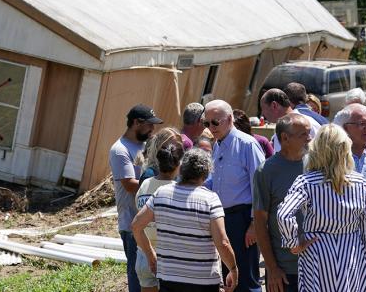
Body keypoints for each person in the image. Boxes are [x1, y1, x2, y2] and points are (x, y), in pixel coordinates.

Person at [277, 124, 366, 292]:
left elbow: (283, 214)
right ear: (345, 149)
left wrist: (293, 243)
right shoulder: (360, 182)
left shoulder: (306, 182)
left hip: (316, 253)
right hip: (352, 252)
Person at [132, 148, 238, 292]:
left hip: (169, 279)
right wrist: (232, 268)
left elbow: (136, 226)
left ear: (181, 168)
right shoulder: (211, 200)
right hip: (204, 281)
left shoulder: (161, 194)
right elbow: (223, 242)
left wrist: (150, 254)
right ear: (206, 174)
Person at [204, 99, 264, 292]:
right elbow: (214, 180)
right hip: (221, 217)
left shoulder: (247, 144)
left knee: (246, 277)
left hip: (243, 218)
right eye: (207, 123)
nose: (211, 128)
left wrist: (255, 224)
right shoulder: (218, 144)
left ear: (229, 119)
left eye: (215, 122)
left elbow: (260, 186)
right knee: (228, 276)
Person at [253, 114, 312, 292]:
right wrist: (272, 268)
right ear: (285, 138)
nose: (309, 138)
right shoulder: (266, 171)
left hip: (317, 265)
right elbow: (260, 224)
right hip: (284, 271)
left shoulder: (315, 165)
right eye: (304, 134)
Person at [110, 104, 163, 292]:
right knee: (137, 274)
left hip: (150, 223)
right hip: (132, 223)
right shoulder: (120, 150)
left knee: (151, 273)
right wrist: (159, 186)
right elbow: (129, 184)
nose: (152, 129)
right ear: (136, 123)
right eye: (149, 125)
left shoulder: (146, 144)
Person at [135, 132, 184, 291]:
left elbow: (138, 213)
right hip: (168, 255)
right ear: (178, 165)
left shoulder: (145, 183)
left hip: (144, 253)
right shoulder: (177, 190)